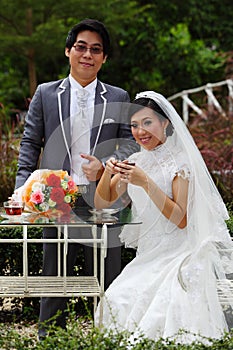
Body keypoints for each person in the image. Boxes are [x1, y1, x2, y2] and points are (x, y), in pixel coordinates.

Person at [14, 18, 139, 338]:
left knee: (108, 272)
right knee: (54, 272)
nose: (88, 54)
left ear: (104, 58)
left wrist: (107, 165)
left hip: (102, 197)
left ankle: (110, 335)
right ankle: (51, 339)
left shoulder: (118, 94)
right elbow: (30, 143)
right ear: (68, 51)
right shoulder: (45, 94)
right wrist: (21, 190)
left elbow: (129, 143)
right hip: (53, 198)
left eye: (96, 50)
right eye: (81, 47)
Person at [94, 91, 233, 343]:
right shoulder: (135, 161)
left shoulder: (180, 163)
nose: (140, 131)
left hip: (179, 252)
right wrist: (107, 173)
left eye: (147, 122)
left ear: (165, 123)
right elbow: (102, 202)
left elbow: (181, 219)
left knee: (161, 305)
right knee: (116, 298)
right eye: (134, 125)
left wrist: (146, 182)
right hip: (149, 254)